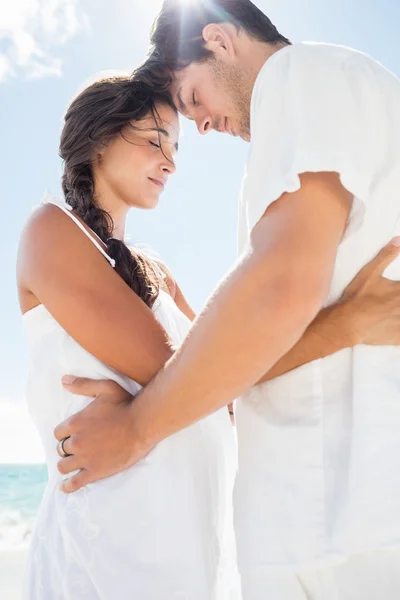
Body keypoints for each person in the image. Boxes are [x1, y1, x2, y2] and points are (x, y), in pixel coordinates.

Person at [54, 1, 400, 597]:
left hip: (336, 514)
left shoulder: (300, 78)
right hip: (332, 513)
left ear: (218, 39)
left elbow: (279, 290)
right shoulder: (330, 96)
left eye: (191, 101)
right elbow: (254, 337)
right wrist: (343, 324)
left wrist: (135, 428)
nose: (203, 127)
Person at [18, 75, 241, 599]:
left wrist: (144, 405)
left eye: (176, 148)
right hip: (104, 553)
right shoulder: (50, 230)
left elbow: (224, 386)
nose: (171, 162)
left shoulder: (155, 269)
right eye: (154, 140)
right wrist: (166, 392)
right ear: (99, 138)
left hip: (187, 549)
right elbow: (183, 372)